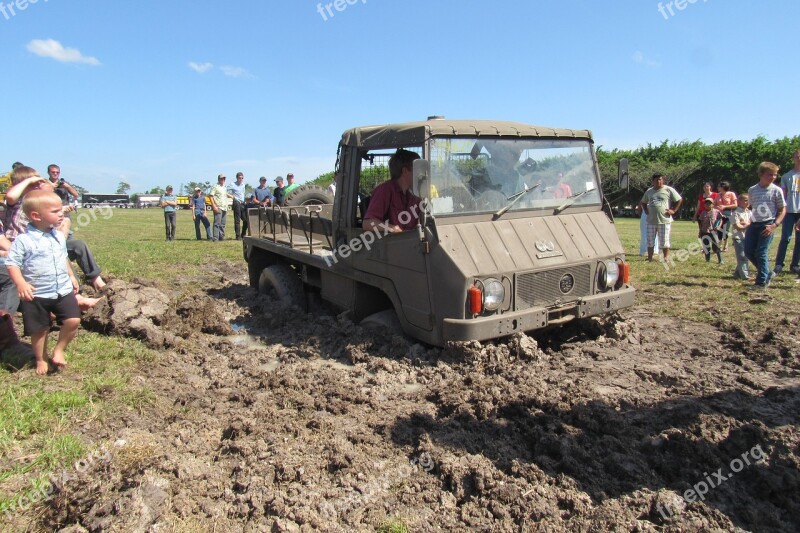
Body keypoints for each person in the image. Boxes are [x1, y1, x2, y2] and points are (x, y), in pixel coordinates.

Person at [6, 191, 82, 375]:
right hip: (37, 293)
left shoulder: (57, 236)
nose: (61, 213)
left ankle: (59, 350)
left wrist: (71, 276)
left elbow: (63, 257)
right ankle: (41, 359)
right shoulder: (24, 240)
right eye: (55, 211)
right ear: (36, 216)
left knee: (73, 320)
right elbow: (12, 263)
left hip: (61, 289)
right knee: (40, 330)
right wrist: (21, 283)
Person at [4, 167, 106, 294]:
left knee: (77, 245)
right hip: (25, 249)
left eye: (39, 183)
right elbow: (10, 196)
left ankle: (96, 280)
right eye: (34, 184)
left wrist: (61, 215)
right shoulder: (18, 203)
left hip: (44, 242)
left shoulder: (40, 203)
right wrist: (30, 180)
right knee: (56, 253)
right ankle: (75, 294)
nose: (39, 186)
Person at [744, 162, 785, 289]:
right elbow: (753, 208)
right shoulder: (752, 190)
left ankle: (761, 282)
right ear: (761, 174)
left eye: (775, 175)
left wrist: (775, 225)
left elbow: (782, 210)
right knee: (749, 252)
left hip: (767, 225)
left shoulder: (776, 190)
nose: (773, 177)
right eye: (770, 174)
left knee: (761, 252)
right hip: (754, 224)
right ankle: (767, 273)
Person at [362, 148, 423, 233]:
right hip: (390, 243)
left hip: (411, 242)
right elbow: (367, 223)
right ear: (405, 171)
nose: (420, 174)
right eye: (417, 169)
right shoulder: (385, 190)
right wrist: (392, 228)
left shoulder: (414, 195)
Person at [640, 173, 683, 262]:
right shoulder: (649, 191)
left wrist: (673, 210)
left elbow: (679, 199)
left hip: (664, 220)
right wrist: (646, 210)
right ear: (653, 181)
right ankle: (650, 258)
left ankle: (666, 258)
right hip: (651, 220)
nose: (658, 181)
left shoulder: (668, 189)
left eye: (660, 179)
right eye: (656, 180)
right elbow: (643, 202)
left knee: (664, 241)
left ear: (663, 180)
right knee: (650, 240)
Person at [773, 148, 800, 275]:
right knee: (785, 238)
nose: (799, 158)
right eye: (797, 156)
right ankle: (779, 264)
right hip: (789, 211)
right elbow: (783, 195)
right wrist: (781, 210)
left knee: (799, 239)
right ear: (793, 158)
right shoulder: (786, 176)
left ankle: (795, 265)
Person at [731, 193, 752, 280]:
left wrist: (745, 224)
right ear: (739, 202)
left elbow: (752, 223)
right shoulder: (736, 212)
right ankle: (745, 276)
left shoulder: (750, 212)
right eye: (746, 200)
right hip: (738, 237)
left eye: (749, 201)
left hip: (747, 237)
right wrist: (748, 225)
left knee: (745, 255)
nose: (748, 202)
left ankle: (737, 273)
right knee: (742, 256)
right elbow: (737, 226)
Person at [714, 181, 737, 252]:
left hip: (728, 214)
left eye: (719, 186)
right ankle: (719, 245)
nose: (718, 188)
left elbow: (735, 205)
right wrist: (717, 208)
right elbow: (714, 204)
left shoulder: (731, 194)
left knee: (725, 229)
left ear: (723, 187)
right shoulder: (718, 195)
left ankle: (726, 244)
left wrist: (724, 206)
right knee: (718, 229)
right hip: (719, 214)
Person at [698, 198, 723, 263]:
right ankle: (707, 260)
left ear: (713, 204)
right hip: (704, 231)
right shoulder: (703, 213)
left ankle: (721, 260)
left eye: (709, 203)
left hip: (713, 231)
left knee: (716, 246)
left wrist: (719, 226)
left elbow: (720, 220)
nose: (707, 205)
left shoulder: (717, 212)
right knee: (706, 247)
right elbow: (701, 223)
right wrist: (700, 232)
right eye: (706, 203)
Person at [209, 174, 232, 241]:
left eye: (224, 179)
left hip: (224, 207)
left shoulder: (224, 187)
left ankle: (221, 236)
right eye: (221, 179)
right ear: (218, 179)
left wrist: (231, 196)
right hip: (218, 206)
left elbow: (225, 195)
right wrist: (214, 206)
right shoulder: (215, 186)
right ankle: (215, 237)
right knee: (217, 223)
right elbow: (211, 196)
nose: (223, 180)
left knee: (223, 223)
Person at [228, 172, 247, 240]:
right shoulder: (232, 184)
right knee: (237, 220)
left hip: (242, 203)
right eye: (239, 178)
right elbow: (225, 191)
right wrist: (232, 197)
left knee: (246, 220)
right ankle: (238, 236)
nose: (241, 179)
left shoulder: (243, 185)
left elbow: (243, 193)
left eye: (242, 178)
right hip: (236, 202)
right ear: (237, 178)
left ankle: (243, 234)